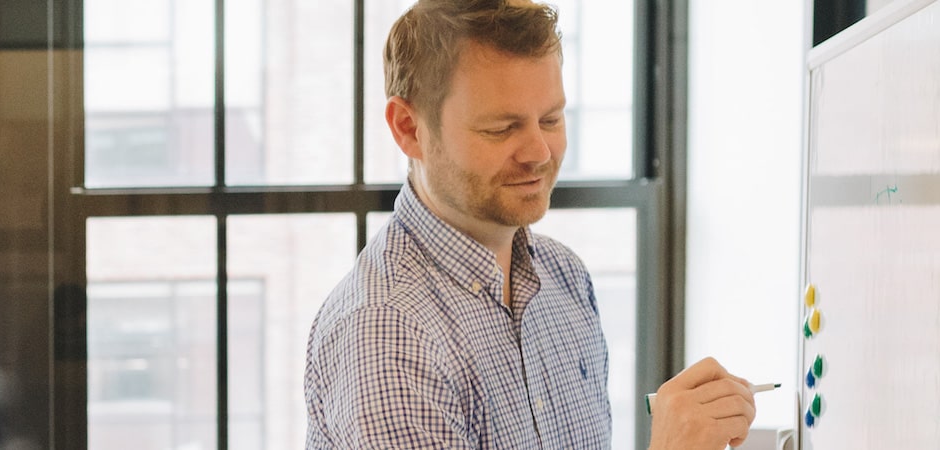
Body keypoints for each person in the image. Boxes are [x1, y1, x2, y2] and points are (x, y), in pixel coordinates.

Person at [304, 1, 756, 448]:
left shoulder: (566, 277)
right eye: (501, 128)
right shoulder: (387, 331)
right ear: (408, 127)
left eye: (551, 119)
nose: (539, 152)